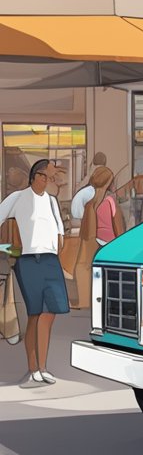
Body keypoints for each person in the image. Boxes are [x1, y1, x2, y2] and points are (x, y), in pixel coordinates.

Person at [0, 160, 69, 387]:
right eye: (47, 176)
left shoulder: (51, 201)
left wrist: (59, 248)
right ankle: (34, 367)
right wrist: (4, 249)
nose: (50, 181)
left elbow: (59, 230)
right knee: (35, 314)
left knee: (51, 314)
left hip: (50, 261)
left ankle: (43, 366)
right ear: (35, 176)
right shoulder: (18, 198)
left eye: (52, 178)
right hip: (28, 261)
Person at [71, 166, 124, 310]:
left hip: (94, 242)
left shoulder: (90, 204)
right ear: (108, 183)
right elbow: (118, 226)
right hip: (110, 243)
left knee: (90, 272)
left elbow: (85, 227)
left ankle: (90, 302)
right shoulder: (110, 201)